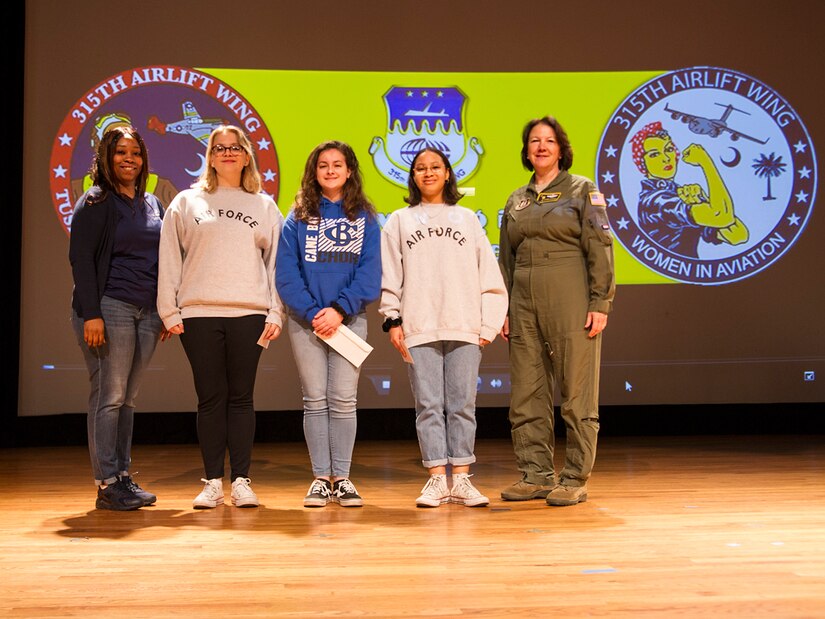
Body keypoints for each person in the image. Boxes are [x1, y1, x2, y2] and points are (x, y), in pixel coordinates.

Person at [158, 125, 285, 509]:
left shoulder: (264, 206)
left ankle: (242, 481)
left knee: (242, 398)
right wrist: (169, 310)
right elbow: (169, 257)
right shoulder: (186, 201)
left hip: (250, 313)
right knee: (210, 398)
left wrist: (276, 311)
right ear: (210, 157)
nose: (227, 153)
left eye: (235, 147)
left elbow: (277, 265)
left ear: (246, 155)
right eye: (219, 148)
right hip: (198, 314)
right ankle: (213, 480)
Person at [380, 147, 508, 508]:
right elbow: (391, 277)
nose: (428, 173)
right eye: (420, 168)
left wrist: (488, 323)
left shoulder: (467, 219)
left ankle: (463, 479)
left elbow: (490, 277)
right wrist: (393, 319)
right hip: (420, 326)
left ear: (448, 173)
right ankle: (437, 478)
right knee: (429, 405)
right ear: (413, 176)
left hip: (464, 325)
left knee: (463, 404)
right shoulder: (399, 221)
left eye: (436, 167)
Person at [498, 116, 615, 507]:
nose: (541, 147)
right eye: (534, 141)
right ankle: (536, 475)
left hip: (570, 298)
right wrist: (505, 308)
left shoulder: (583, 190)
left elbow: (600, 248)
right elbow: (506, 261)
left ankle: (575, 477)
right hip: (523, 301)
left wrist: (601, 302)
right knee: (527, 393)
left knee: (577, 393)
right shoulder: (516, 199)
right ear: (526, 149)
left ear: (561, 149)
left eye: (549, 141)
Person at [276, 141, 381, 508]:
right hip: (306, 323)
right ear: (314, 172)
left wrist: (338, 310)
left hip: (349, 321)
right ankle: (322, 478)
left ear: (350, 171)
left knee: (343, 401)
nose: (331, 170)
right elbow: (286, 276)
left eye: (338, 165)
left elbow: (370, 275)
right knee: (315, 401)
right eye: (324, 165)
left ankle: (344, 478)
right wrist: (314, 313)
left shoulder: (366, 218)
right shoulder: (297, 218)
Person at [69, 125, 167, 511]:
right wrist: (92, 314)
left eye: (136, 153)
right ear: (106, 157)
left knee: (128, 398)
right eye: (121, 152)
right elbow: (81, 261)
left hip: (148, 311)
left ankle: (123, 476)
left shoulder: (151, 204)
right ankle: (107, 482)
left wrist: (164, 311)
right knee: (108, 396)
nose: (129, 159)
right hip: (109, 308)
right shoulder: (95, 202)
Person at [631, 121, 748, 258]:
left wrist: (703, 199)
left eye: (668, 149)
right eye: (654, 155)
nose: (666, 158)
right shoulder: (654, 201)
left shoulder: (678, 193)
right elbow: (721, 216)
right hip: (665, 277)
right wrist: (706, 163)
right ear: (643, 164)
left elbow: (738, 235)